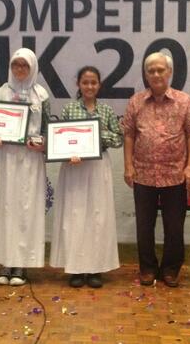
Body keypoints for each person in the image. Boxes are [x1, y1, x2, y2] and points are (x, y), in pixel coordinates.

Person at [123, 52, 190, 288]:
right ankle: (147, 268)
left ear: (170, 72)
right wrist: (128, 166)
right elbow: (129, 135)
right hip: (143, 174)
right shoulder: (136, 101)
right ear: (146, 74)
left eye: (160, 70)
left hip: (175, 174)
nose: (156, 75)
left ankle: (170, 269)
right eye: (151, 71)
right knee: (144, 226)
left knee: (174, 226)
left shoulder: (185, 101)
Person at [0, 48, 50, 286]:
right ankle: (5, 262)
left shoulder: (42, 95)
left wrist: (42, 143)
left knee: (26, 209)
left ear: (32, 68)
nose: (20, 69)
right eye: (16, 65)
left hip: (30, 160)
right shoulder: (0, 93)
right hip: (4, 158)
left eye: (24, 65)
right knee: (4, 207)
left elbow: (46, 128)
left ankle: (21, 264)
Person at [50, 66, 123, 288]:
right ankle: (75, 268)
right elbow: (59, 140)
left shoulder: (107, 111)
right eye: (85, 82)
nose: (89, 86)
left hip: (98, 167)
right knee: (74, 216)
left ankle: (94, 268)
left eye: (93, 82)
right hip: (74, 168)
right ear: (78, 85)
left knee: (98, 216)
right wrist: (68, 152)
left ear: (99, 85)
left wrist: (95, 133)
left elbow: (118, 139)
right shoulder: (69, 109)